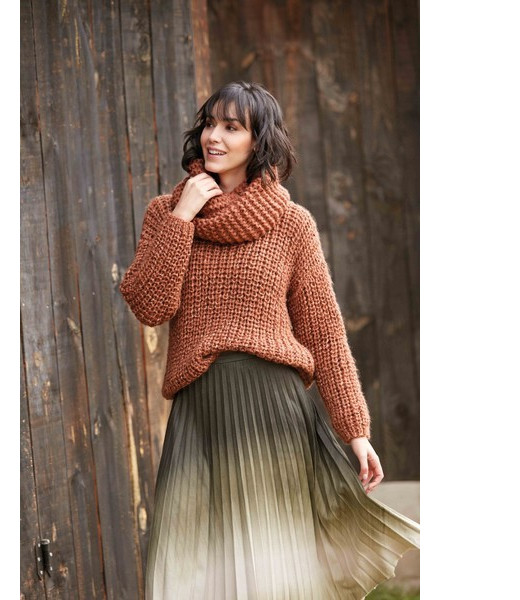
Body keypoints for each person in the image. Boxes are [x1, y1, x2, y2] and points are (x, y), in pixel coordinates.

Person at [120, 81, 420, 599]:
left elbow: (324, 330)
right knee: (190, 568)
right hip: (201, 412)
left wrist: (356, 431)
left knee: (273, 566)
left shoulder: (292, 224)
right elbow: (150, 306)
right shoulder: (166, 213)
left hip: (271, 409)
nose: (214, 136)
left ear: (259, 141)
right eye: (210, 123)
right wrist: (182, 217)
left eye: (231, 127)